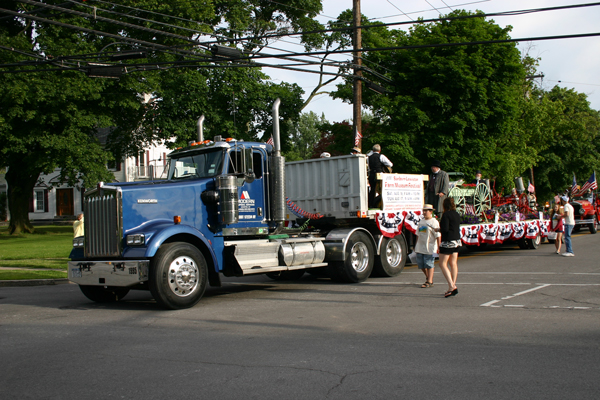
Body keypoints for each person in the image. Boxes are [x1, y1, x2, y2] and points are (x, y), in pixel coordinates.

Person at [437, 197, 461, 297]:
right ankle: (453, 284)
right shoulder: (457, 214)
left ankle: (451, 286)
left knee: (442, 263)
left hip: (448, 241)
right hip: (457, 240)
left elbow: (445, 229)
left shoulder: (446, 215)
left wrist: (438, 229)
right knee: (453, 263)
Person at [415, 204, 441, 288]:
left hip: (430, 247)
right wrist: (416, 245)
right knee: (421, 264)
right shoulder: (421, 222)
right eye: (424, 211)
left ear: (431, 212)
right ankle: (428, 277)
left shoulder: (434, 222)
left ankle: (429, 281)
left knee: (429, 263)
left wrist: (439, 247)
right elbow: (418, 234)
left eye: (426, 211)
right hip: (420, 247)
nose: (425, 212)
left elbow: (438, 235)